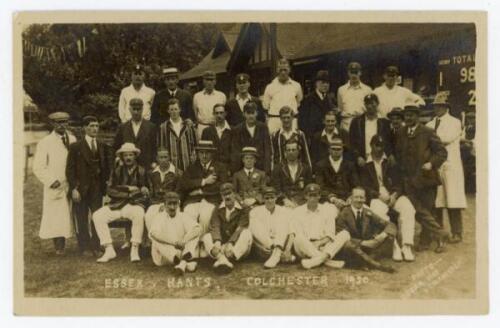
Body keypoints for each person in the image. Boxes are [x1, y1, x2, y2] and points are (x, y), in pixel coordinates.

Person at [395, 105, 448, 253]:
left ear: (417, 117)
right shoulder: (401, 132)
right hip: (409, 181)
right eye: (406, 115)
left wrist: (431, 163)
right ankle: (440, 234)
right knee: (419, 211)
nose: (409, 118)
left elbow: (442, 152)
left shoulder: (428, 132)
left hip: (427, 179)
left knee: (428, 210)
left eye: (412, 115)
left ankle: (431, 241)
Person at [360, 135, 417, 262]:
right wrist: (378, 195)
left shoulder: (390, 162)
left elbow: (399, 182)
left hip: (392, 195)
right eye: (377, 145)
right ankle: (394, 244)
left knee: (408, 208)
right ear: (371, 146)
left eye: (382, 146)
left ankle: (406, 245)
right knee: (378, 211)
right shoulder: (365, 163)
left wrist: (394, 195)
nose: (379, 149)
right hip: (376, 197)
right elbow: (365, 186)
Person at [92, 143, 149, 263]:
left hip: (133, 205)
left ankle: (134, 248)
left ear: (135, 156)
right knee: (97, 215)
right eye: (125, 155)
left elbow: (145, 191)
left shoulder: (142, 171)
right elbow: (110, 190)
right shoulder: (117, 171)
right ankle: (109, 249)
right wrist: (128, 190)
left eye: (131, 155)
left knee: (139, 214)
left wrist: (142, 190)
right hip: (116, 205)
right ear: (122, 157)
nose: (128, 158)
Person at [66, 116, 113, 256]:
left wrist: (106, 187)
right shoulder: (76, 147)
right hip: (81, 188)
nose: (94, 129)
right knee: (81, 217)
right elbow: (70, 169)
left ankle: (97, 245)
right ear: (85, 128)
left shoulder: (102, 146)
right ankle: (84, 247)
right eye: (92, 126)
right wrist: (74, 188)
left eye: (97, 126)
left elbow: (106, 168)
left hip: (97, 188)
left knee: (97, 217)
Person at [425, 91, 467, 243]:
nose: (437, 108)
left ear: (446, 107)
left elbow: (446, 139)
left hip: (450, 164)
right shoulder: (430, 124)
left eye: (441, 106)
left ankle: (457, 232)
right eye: (436, 106)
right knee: (437, 200)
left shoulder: (455, 122)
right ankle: (439, 232)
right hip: (436, 164)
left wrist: (430, 140)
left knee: (453, 199)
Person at [33, 111, 77, 255]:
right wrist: (52, 181)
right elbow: (38, 166)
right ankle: (59, 247)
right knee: (56, 215)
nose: (62, 125)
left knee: (73, 213)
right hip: (56, 184)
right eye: (59, 122)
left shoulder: (72, 139)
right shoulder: (45, 142)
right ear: (52, 124)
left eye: (65, 122)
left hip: (71, 183)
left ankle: (84, 244)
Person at [336, 186, 397, 273]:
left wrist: (383, 235)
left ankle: (363, 263)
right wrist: (363, 243)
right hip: (352, 248)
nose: (359, 200)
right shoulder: (344, 213)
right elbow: (341, 235)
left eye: (361, 197)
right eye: (356, 197)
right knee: (348, 245)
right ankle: (377, 265)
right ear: (351, 198)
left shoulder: (368, 212)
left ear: (365, 199)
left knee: (389, 236)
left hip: (367, 248)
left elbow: (390, 225)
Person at [178, 140, 230, 241]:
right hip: (193, 200)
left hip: (212, 200)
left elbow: (223, 185)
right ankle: (192, 243)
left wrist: (201, 191)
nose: (204, 156)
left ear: (212, 153)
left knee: (206, 217)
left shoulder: (220, 167)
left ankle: (203, 242)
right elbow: (184, 183)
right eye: (201, 153)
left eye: (207, 153)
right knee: (189, 214)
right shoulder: (192, 167)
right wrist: (203, 181)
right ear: (198, 153)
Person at [291, 183, 351, 269]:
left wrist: (319, 243)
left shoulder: (327, 210)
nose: (312, 198)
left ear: (319, 196)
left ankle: (316, 260)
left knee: (345, 234)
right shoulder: (297, 211)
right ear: (305, 196)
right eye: (310, 195)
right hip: (305, 247)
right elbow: (299, 234)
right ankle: (328, 262)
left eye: (315, 195)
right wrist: (312, 244)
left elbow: (330, 234)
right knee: (298, 238)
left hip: (324, 246)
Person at [202, 183, 253, 272]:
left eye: (229, 193)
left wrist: (231, 243)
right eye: (224, 194)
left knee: (247, 233)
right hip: (222, 246)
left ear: (234, 194)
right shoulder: (218, 208)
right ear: (221, 196)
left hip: (236, 247)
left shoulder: (243, 208)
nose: (227, 197)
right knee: (206, 237)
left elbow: (241, 227)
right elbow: (215, 225)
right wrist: (217, 241)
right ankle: (223, 259)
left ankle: (227, 258)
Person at [148, 192, 201, 275]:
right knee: (155, 239)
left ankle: (182, 264)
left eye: (175, 203)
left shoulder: (183, 216)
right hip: (163, 257)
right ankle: (184, 263)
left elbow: (198, 229)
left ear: (178, 204)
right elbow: (154, 234)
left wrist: (184, 241)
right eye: (169, 204)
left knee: (194, 234)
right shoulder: (159, 217)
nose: (172, 207)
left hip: (180, 252)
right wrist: (174, 242)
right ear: (164, 205)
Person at [249, 186, 296, 268]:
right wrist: (261, 247)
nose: (270, 200)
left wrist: (287, 250)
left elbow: (291, 232)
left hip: (281, 245)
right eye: (267, 198)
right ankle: (278, 254)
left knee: (283, 222)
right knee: (255, 223)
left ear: (276, 198)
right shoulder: (255, 211)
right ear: (263, 199)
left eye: (272, 198)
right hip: (264, 248)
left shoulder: (284, 211)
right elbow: (253, 233)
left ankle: (277, 252)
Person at [349, 94, 393, 168]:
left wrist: (389, 154)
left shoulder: (385, 123)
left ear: (377, 104)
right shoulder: (356, 122)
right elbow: (352, 142)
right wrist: (358, 157)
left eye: (372, 103)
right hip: (362, 160)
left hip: (380, 160)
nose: (369, 106)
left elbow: (388, 141)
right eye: (367, 103)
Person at [113, 97, 158, 171]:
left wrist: (154, 162)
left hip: (146, 166)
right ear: (129, 109)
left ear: (142, 109)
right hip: (126, 167)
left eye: (138, 109)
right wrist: (118, 159)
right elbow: (116, 146)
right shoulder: (123, 127)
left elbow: (155, 146)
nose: (136, 112)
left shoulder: (151, 127)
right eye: (134, 109)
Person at [315, 137, 360, 209]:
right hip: (329, 202)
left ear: (342, 150)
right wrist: (333, 199)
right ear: (329, 150)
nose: (336, 151)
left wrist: (351, 197)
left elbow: (356, 185)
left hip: (348, 199)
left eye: (339, 149)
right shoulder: (320, 165)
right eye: (333, 149)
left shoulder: (350, 165)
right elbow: (319, 187)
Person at [144, 149, 183, 231]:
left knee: (171, 217)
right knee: (149, 215)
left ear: (169, 158)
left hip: (172, 203)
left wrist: (167, 204)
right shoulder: (151, 173)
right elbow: (151, 192)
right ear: (157, 159)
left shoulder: (177, 173)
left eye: (165, 157)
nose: (163, 160)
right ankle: (153, 240)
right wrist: (155, 204)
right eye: (161, 157)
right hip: (155, 202)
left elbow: (178, 192)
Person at [230, 101, 272, 175]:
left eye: (253, 113)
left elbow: (267, 150)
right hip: (243, 167)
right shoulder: (238, 129)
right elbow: (235, 151)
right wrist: (236, 171)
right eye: (248, 113)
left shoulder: (263, 128)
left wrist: (267, 171)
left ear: (257, 113)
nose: (251, 116)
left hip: (260, 166)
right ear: (244, 114)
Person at [262, 58, 303, 134]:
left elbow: (299, 102)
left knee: (292, 143)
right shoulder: (270, 87)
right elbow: (265, 106)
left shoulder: (296, 86)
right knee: (273, 143)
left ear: (289, 70)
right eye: (281, 70)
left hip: (291, 121)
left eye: (285, 70)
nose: (283, 73)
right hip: (275, 121)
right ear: (277, 70)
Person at [157, 98, 198, 171]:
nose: (174, 112)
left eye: (176, 109)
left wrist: (194, 157)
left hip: (188, 164)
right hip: (171, 166)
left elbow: (195, 144)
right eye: (171, 110)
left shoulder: (188, 125)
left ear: (180, 109)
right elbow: (161, 147)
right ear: (168, 111)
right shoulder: (163, 127)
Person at [271, 140, 313, 208]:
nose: (291, 152)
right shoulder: (278, 168)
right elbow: (276, 188)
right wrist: (285, 200)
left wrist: (300, 203)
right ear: (285, 152)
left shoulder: (306, 168)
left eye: (293, 150)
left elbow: (308, 188)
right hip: (283, 203)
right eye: (288, 150)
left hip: (302, 203)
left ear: (298, 151)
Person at [271, 106, 312, 170]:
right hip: (282, 171)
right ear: (280, 119)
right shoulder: (275, 135)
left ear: (292, 118)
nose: (286, 120)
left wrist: (309, 170)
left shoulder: (300, 134)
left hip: (298, 170)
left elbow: (306, 155)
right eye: (284, 118)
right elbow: (273, 156)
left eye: (288, 117)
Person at [298, 70, 334, 139]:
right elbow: (302, 122)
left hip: (327, 137)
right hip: (312, 138)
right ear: (316, 83)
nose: (325, 85)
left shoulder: (330, 100)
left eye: (327, 82)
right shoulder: (308, 100)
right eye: (323, 82)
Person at [337, 62, 372, 132]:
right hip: (346, 124)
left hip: (362, 123)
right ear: (348, 73)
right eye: (352, 72)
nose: (354, 75)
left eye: (356, 72)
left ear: (360, 73)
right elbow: (340, 108)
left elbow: (370, 109)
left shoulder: (368, 90)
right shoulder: (341, 90)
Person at [193, 70, 227, 138]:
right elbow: (195, 113)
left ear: (215, 81)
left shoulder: (221, 95)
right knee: (203, 147)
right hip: (202, 126)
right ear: (203, 81)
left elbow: (224, 113)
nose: (209, 82)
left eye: (212, 80)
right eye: (207, 80)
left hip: (217, 127)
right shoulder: (197, 96)